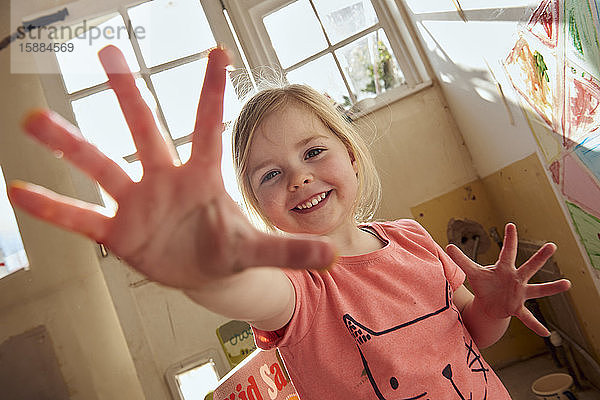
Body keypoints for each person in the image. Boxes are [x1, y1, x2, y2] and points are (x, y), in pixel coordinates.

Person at [9, 45, 571, 399]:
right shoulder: (298, 288)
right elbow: (248, 290)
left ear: (351, 153)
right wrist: (202, 267)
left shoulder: (413, 239)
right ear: (256, 208)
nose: (299, 179)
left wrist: (495, 310)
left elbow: (470, 333)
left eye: (313, 152)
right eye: (269, 175)